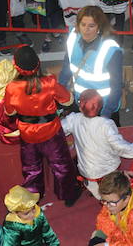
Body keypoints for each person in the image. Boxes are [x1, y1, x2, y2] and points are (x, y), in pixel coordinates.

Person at [4, 45, 81, 205]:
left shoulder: (12, 87)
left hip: (27, 134)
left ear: (16, 66)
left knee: (31, 167)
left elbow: (9, 112)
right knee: (61, 164)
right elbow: (68, 100)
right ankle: (67, 194)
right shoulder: (49, 82)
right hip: (51, 131)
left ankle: (34, 196)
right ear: (38, 63)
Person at [61, 89, 133, 199]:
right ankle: (107, 194)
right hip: (108, 169)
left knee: (96, 188)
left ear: (80, 107)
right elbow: (119, 146)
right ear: (101, 107)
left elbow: (58, 129)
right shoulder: (106, 124)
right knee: (114, 190)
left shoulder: (73, 119)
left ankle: (94, 189)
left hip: (87, 171)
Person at [58, 6, 124, 122]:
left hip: (103, 107)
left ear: (99, 27)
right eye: (83, 25)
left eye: (91, 26)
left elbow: (116, 85)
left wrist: (106, 114)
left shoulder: (110, 49)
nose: (86, 30)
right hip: (81, 103)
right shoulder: (73, 38)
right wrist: (59, 93)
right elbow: (66, 69)